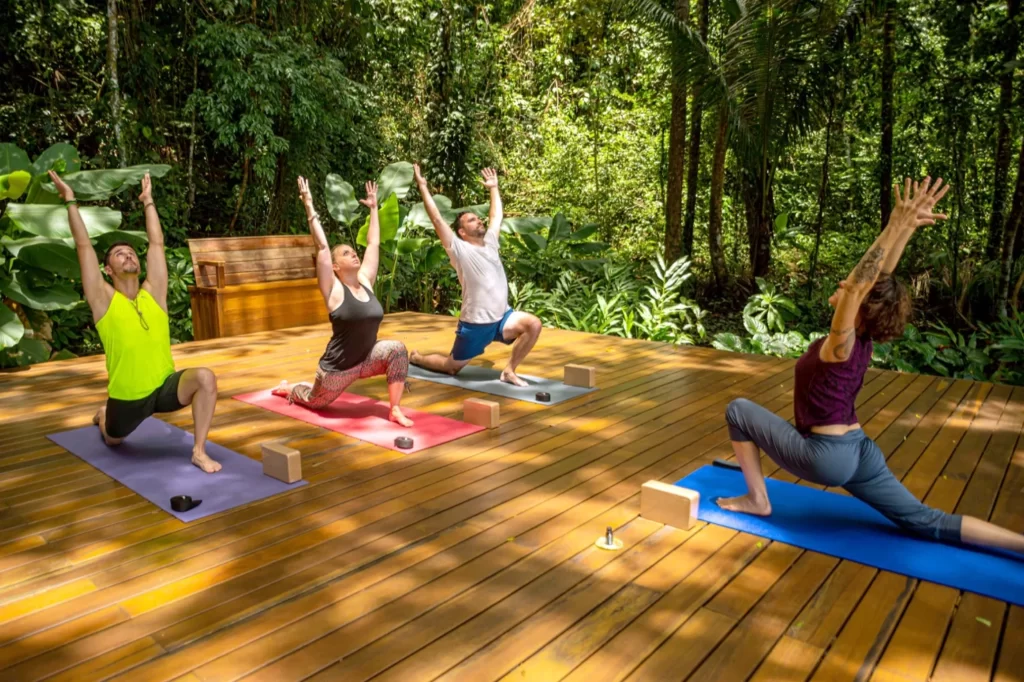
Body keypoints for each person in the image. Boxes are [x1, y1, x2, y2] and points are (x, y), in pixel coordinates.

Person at [720, 175, 1024, 556]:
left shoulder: (841, 344)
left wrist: (896, 224)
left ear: (859, 308)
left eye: (850, 289)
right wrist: (904, 228)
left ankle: (757, 500)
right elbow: (877, 279)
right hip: (860, 450)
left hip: (826, 457)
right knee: (925, 519)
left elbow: (861, 284)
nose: (844, 284)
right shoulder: (863, 340)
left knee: (738, 410)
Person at [48, 171, 222, 473]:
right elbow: (83, 248)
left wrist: (148, 202)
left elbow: (156, 243)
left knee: (205, 377)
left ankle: (199, 451)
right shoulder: (103, 300)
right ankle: (104, 415)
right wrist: (70, 201)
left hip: (165, 387)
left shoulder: (154, 294)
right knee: (113, 439)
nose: (128, 255)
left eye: (130, 252)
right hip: (127, 398)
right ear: (107, 270)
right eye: (119, 254)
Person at [272, 176, 413, 427]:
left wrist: (373, 210)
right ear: (336, 267)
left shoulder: (366, 281)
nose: (354, 253)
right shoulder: (334, 289)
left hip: (367, 359)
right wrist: (308, 204)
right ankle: (290, 388)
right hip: (337, 370)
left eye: (353, 251)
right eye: (347, 253)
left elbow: (373, 243)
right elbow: (323, 248)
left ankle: (395, 409)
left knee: (398, 350)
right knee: (314, 401)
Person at [409, 164, 542, 386]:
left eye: (477, 219)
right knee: (451, 368)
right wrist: (423, 187)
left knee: (533, 324)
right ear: (461, 232)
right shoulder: (459, 249)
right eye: (471, 220)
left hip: (502, 318)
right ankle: (417, 358)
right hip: (476, 325)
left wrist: (494, 187)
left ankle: (509, 371)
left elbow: (495, 216)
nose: (478, 220)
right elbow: (437, 220)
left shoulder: (490, 242)